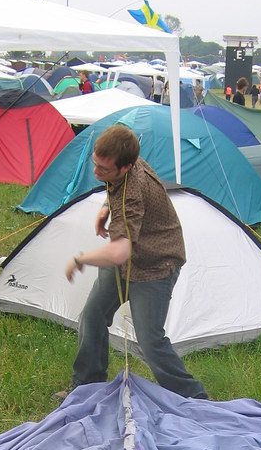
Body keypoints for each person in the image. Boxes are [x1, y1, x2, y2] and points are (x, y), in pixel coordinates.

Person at [62, 124, 208, 400]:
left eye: (104, 170)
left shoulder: (134, 189)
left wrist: (80, 259)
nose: (97, 173)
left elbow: (119, 252)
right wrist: (106, 207)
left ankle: (195, 399)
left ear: (126, 167)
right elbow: (113, 186)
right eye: (96, 165)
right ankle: (86, 388)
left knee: (150, 342)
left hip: (156, 264)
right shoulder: (124, 157)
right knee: (92, 315)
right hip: (129, 258)